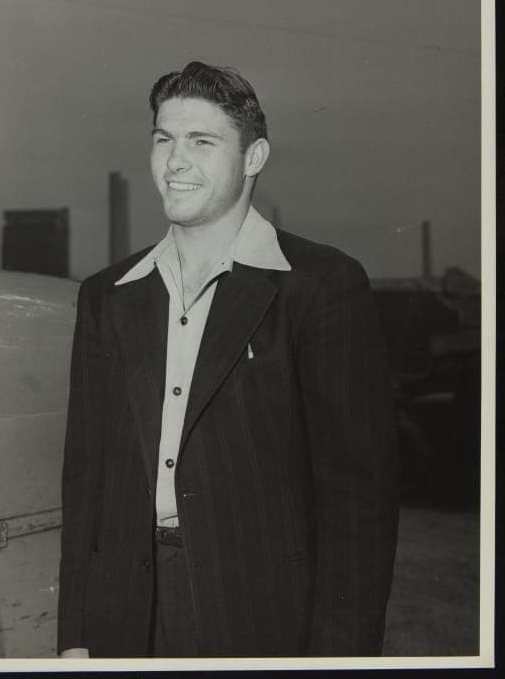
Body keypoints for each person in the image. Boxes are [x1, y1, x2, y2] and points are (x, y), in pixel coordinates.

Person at [57, 61, 399, 659]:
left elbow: (359, 501)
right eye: (164, 139)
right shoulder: (107, 295)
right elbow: (86, 480)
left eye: (202, 142)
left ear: (254, 157)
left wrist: (340, 656)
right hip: (124, 614)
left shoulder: (320, 286)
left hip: (263, 615)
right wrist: (76, 637)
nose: (175, 161)